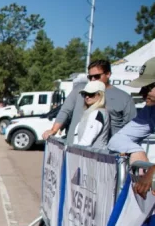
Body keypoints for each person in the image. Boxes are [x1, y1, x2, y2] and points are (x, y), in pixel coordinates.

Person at [43, 58, 136, 146]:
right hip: (74, 149)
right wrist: (53, 130)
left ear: (108, 74)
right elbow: (65, 110)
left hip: (105, 155)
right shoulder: (79, 89)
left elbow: (130, 128)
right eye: (90, 77)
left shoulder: (125, 98)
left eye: (96, 76)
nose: (92, 80)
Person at [109, 57, 155, 196]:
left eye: (147, 87)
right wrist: (136, 150)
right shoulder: (151, 110)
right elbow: (116, 140)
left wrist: (152, 172)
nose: (142, 93)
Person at [72, 81, 109, 147]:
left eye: (91, 94)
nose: (87, 97)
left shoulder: (98, 113)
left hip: (95, 155)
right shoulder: (89, 112)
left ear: (100, 95)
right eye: (85, 94)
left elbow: (87, 141)